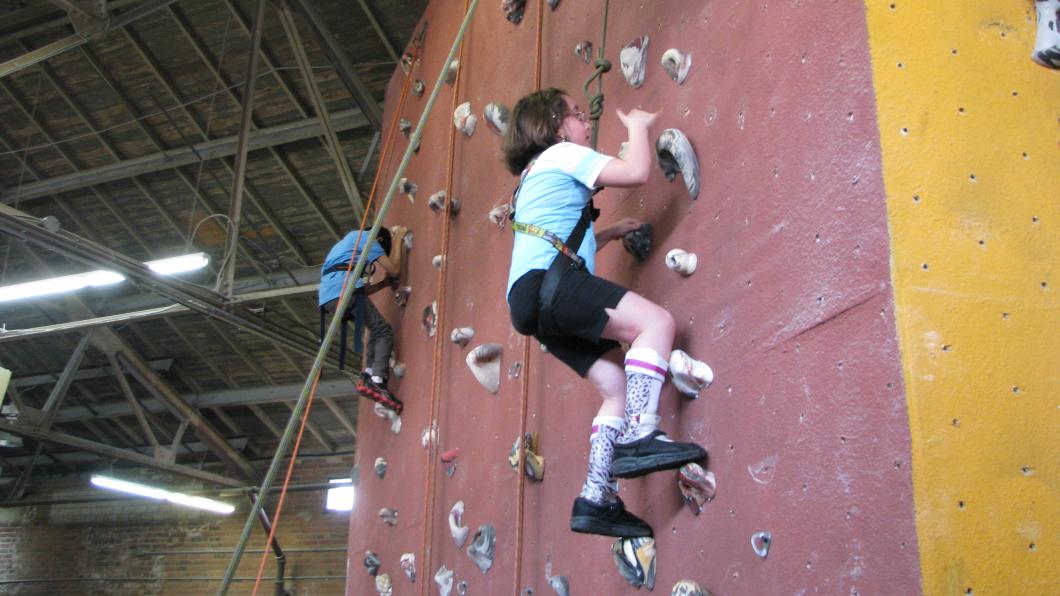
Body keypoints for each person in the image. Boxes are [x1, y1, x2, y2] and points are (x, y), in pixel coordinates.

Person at [502, 88, 712, 538]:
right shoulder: (562, 153)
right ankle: (640, 434)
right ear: (557, 126)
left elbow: (557, 244)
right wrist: (637, 126)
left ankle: (597, 497)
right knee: (656, 324)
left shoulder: (530, 180)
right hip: (551, 285)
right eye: (577, 115)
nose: (584, 122)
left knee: (614, 384)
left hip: (531, 298)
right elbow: (636, 171)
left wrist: (612, 232)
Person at [319, 225, 405, 414]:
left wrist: (382, 285)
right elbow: (394, 269)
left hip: (329, 299)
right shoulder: (369, 239)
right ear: (380, 241)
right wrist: (398, 238)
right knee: (383, 330)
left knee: (374, 328)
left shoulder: (345, 244)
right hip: (344, 291)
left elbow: (357, 289)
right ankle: (378, 381)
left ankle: (368, 374)